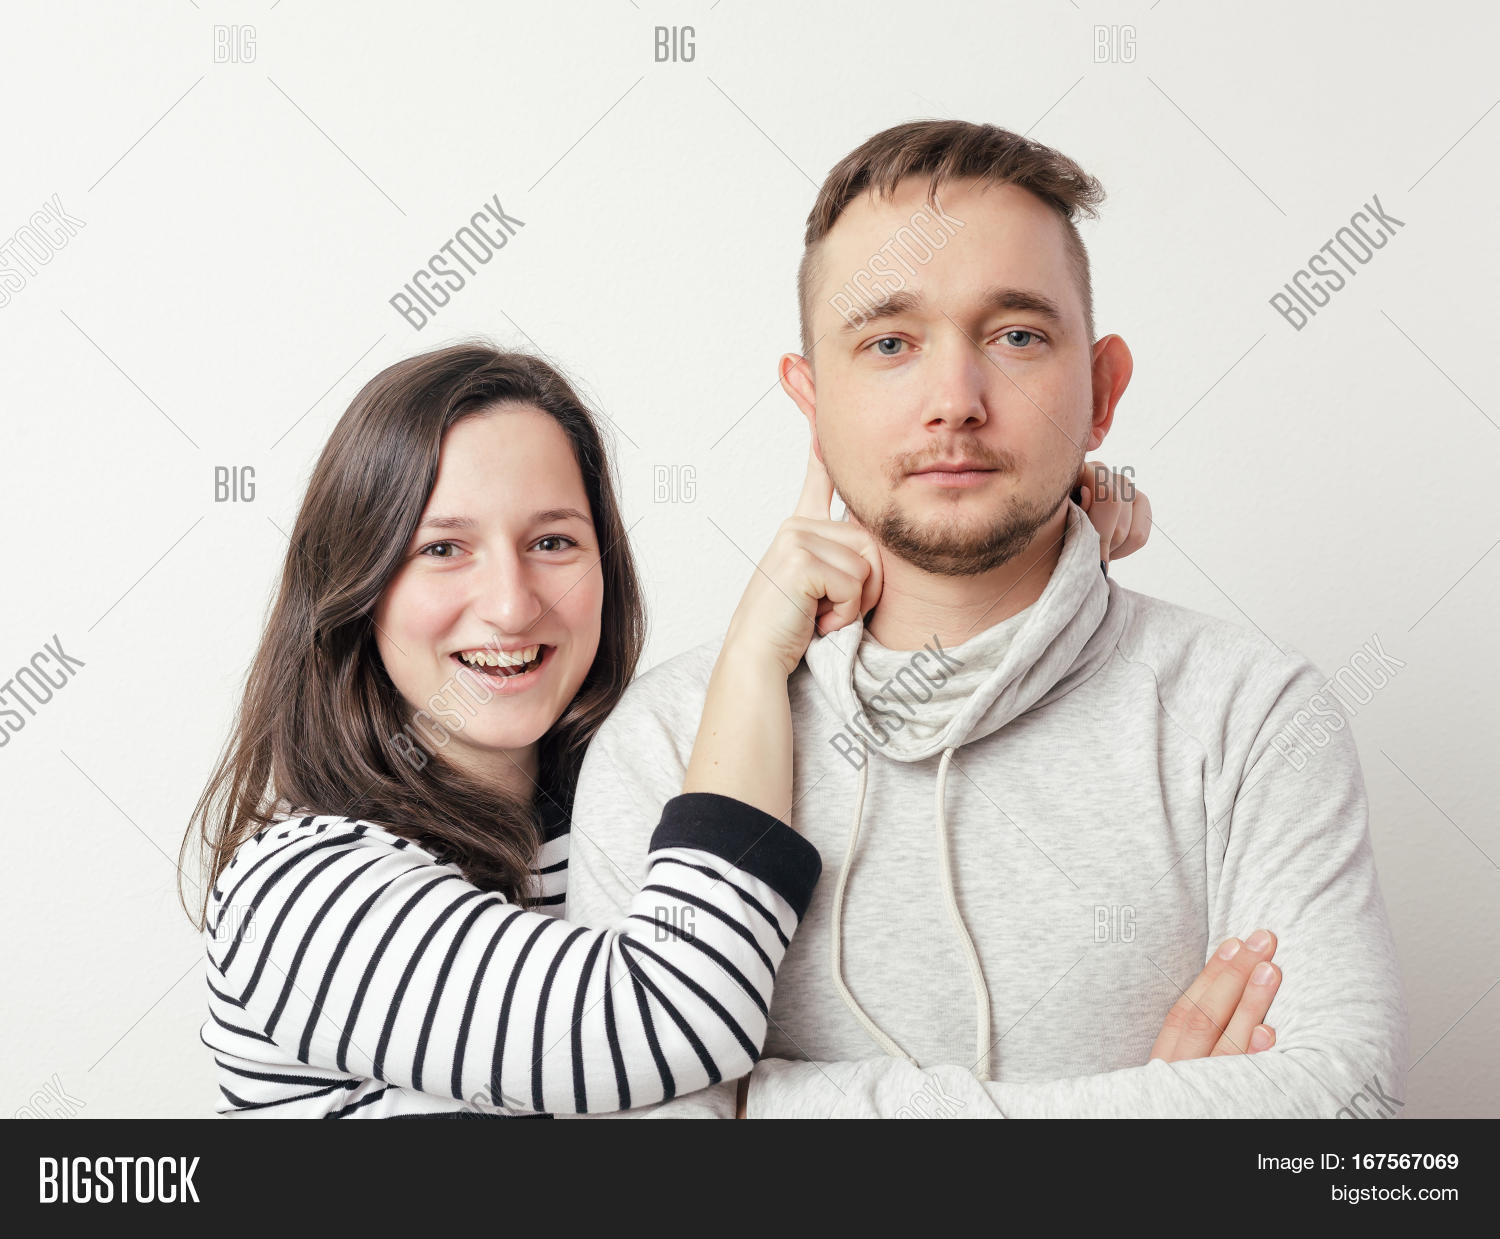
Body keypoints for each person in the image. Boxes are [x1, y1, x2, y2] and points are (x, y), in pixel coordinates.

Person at [562, 120, 1408, 1118]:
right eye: (888, 342)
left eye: (1015, 336)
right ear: (812, 401)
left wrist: (768, 1105)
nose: (954, 400)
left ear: (1102, 391)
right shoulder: (667, 744)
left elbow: (1342, 1131)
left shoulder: (1252, 715)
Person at [179, 340, 1154, 1117]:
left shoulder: (622, 803)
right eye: (444, 549)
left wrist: (1032, 557)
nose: (512, 605)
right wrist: (751, 649)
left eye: (553, 540)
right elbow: (667, 1017)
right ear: (355, 586)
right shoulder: (298, 893)